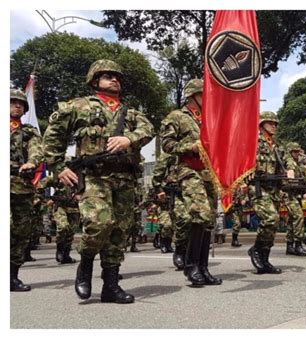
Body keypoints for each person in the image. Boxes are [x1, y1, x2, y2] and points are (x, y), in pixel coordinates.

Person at [43, 59, 154, 303]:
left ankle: (111, 286)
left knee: (119, 232)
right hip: (94, 176)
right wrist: (58, 167)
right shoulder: (78, 106)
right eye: (107, 76)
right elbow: (53, 137)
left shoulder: (130, 112)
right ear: (95, 81)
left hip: (124, 178)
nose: (114, 79)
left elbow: (148, 129)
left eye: (116, 76)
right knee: (97, 223)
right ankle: (85, 265)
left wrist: (129, 139)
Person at [160, 79, 221, 285]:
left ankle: (203, 267)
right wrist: (190, 146)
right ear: (192, 96)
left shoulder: (211, 118)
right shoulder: (177, 117)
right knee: (200, 215)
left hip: (209, 173)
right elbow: (167, 145)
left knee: (209, 219)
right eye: (204, 94)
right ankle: (191, 266)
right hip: (188, 170)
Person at [247, 111, 296, 274]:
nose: (274, 126)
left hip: (274, 189)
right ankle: (256, 250)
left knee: (273, 225)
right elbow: (242, 160)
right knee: (270, 218)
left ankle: (264, 258)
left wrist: (290, 169)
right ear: (261, 125)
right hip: (259, 188)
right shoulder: (253, 142)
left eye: (275, 124)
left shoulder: (277, 146)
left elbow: (289, 160)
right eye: (270, 123)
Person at [10, 88, 44, 292]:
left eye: (21, 103)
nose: (17, 105)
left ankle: (12, 276)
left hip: (20, 187)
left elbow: (36, 149)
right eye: (13, 102)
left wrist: (31, 162)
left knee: (21, 232)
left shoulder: (29, 132)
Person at [283, 142, 306, 256]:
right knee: (298, 216)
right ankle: (298, 244)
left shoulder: (298, 163)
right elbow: (290, 171)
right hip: (288, 194)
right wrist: (291, 178)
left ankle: (290, 245)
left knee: (292, 220)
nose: (297, 153)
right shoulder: (289, 161)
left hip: (296, 194)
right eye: (294, 151)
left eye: (298, 151)